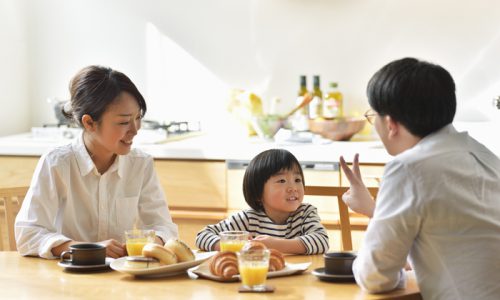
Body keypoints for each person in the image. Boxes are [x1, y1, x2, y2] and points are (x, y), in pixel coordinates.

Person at [340, 57, 500, 299]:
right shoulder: (485, 156)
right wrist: (375, 210)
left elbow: (375, 277)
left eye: (373, 117)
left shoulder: (408, 167)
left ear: (391, 123)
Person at [15, 65, 178, 259]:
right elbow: (28, 234)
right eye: (124, 122)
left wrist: (151, 243)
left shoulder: (141, 164)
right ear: (89, 123)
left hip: (122, 279)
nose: (135, 130)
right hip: (67, 280)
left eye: (138, 118)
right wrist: (88, 249)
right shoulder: (57, 163)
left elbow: (164, 227)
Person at [196, 149, 329, 254]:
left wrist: (274, 245)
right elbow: (202, 236)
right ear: (258, 194)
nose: (293, 188)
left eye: (297, 180)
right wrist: (231, 244)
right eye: (282, 181)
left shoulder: (305, 214)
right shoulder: (248, 219)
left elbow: (321, 241)